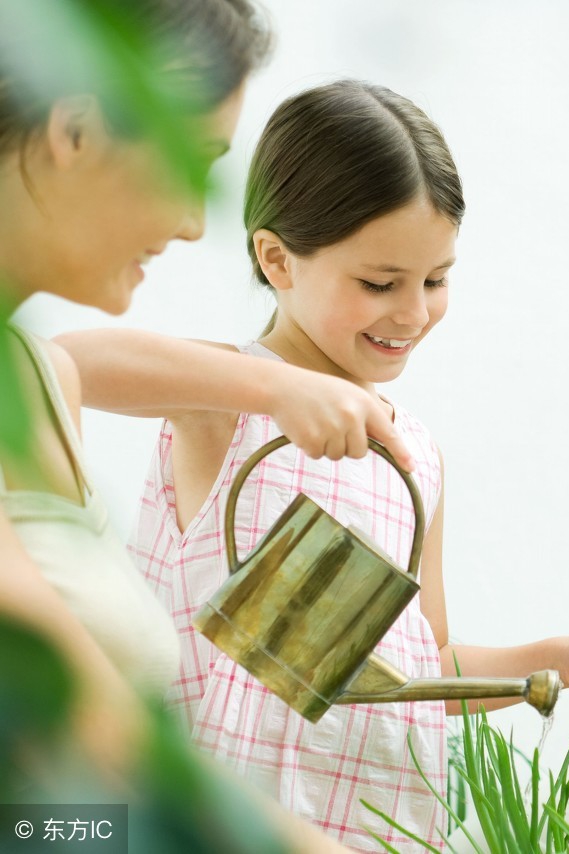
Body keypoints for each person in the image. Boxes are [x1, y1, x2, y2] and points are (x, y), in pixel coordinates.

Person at [57, 79, 569, 852]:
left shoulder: (412, 455)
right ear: (276, 259)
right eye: (380, 283)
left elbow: (412, 668)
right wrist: (278, 387)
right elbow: (63, 365)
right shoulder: (226, 400)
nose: (413, 313)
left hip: (372, 832)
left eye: (436, 280)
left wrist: (544, 660)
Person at [0, 1, 393, 850]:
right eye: (193, 161)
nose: (189, 221)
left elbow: (85, 362)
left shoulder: (31, 383)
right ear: (74, 129)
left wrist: (273, 387)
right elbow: (91, 733)